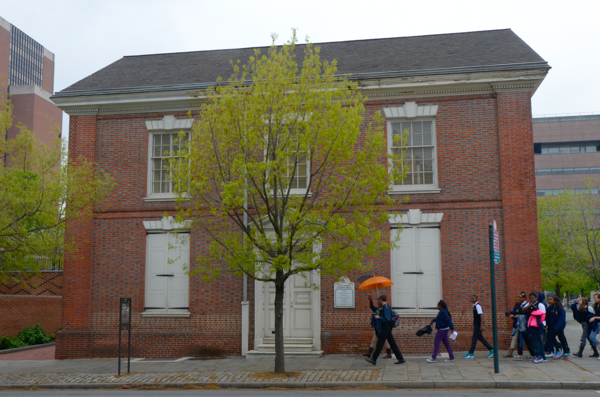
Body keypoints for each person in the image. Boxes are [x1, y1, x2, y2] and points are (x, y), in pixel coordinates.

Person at [365, 295, 405, 366]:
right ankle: (401, 359)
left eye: (378, 300)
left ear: (381, 300)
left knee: (380, 344)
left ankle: (374, 359)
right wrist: (371, 301)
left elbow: (388, 319)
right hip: (386, 328)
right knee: (392, 344)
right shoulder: (382, 308)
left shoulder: (386, 308)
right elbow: (373, 308)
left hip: (386, 328)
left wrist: (379, 317)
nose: (378, 301)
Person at [463, 295, 494, 359]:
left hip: (478, 325)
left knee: (474, 338)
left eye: (473, 298)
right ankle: (491, 349)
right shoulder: (474, 306)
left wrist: (481, 325)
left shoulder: (477, 306)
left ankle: (471, 353)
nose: (471, 299)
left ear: (476, 299)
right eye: (471, 298)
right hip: (476, 324)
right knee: (480, 338)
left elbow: (481, 315)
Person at [364, 294, 391, 359]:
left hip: (382, 328)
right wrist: (370, 300)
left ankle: (389, 353)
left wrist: (379, 317)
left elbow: (386, 318)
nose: (378, 303)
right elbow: (372, 307)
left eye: (379, 301)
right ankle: (369, 353)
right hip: (378, 328)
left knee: (386, 340)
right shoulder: (378, 310)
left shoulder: (384, 309)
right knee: (374, 340)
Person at [525, 291, 546, 363]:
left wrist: (540, 324)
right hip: (532, 325)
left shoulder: (540, 304)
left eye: (533, 298)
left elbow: (543, 315)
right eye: (530, 298)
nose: (532, 300)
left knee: (537, 341)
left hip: (537, 325)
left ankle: (539, 355)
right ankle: (542, 357)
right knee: (537, 341)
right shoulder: (531, 304)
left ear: (536, 298)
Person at [546, 294, 569, 359]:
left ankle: (558, 350)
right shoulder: (551, 307)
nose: (549, 301)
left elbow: (561, 319)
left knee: (552, 336)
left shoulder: (560, 309)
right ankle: (566, 353)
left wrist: (556, 328)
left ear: (555, 301)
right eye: (548, 299)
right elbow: (548, 316)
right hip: (553, 326)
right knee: (562, 339)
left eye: (550, 299)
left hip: (558, 327)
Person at [514, 292, 535, 361]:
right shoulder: (520, 305)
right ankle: (520, 354)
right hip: (520, 324)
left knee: (528, 339)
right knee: (520, 338)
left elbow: (527, 313)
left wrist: (519, 316)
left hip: (526, 324)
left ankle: (533, 353)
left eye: (520, 297)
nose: (518, 299)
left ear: (523, 298)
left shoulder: (527, 304)